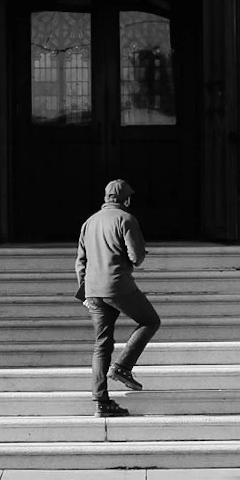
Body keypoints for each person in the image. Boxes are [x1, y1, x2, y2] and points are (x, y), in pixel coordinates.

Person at [75, 178, 160, 417]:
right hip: (117, 286)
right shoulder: (126, 219)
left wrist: (84, 290)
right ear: (127, 199)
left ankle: (101, 402)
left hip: (93, 289)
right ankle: (122, 367)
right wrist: (141, 252)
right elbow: (136, 257)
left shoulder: (89, 222)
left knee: (102, 344)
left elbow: (80, 261)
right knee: (150, 321)